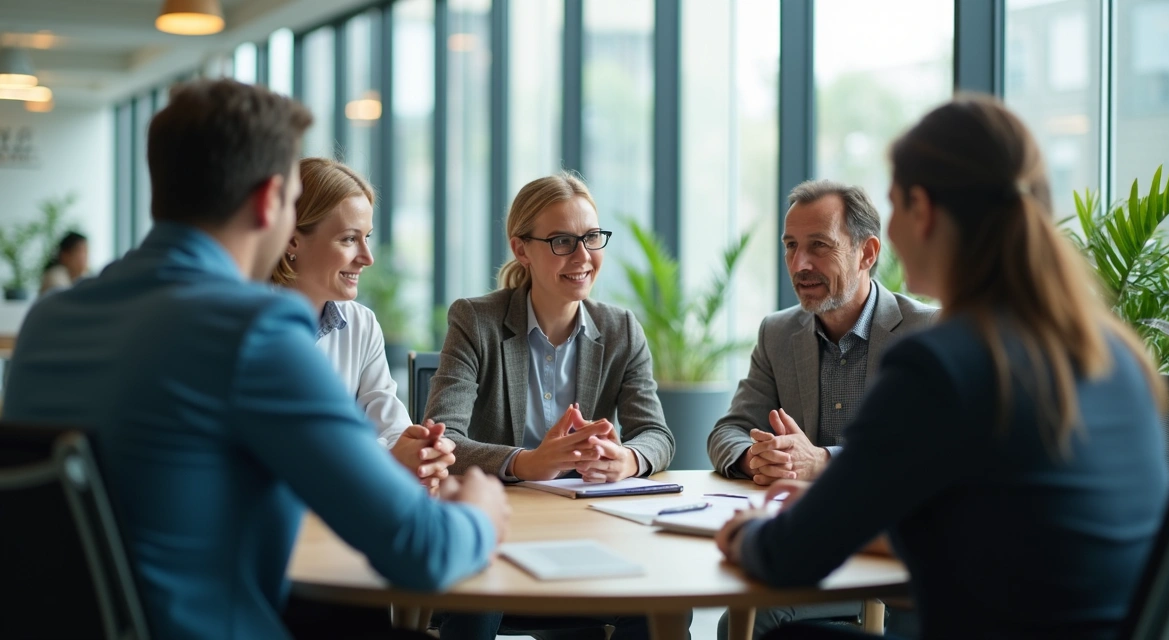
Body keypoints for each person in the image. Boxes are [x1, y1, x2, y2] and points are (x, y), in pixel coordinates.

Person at [2, 78, 509, 640]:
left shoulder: (49, 322)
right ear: (271, 203)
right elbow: (423, 550)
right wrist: (481, 510)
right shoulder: (251, 331)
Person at [715, 95, 1169, 640]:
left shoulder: (943, 362)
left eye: (896, 204)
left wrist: (745, 533)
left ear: (922, 210)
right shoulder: (1113, 353)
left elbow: (792, 557)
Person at [425, 173, 678, 640]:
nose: (583, 257)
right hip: (498, 528)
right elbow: (443, 440)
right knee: (477, 602)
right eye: (562, 241)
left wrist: (628, 459)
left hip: (589, 530)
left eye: (591, 238)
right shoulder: (475, 321)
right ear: (522, 249)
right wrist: (527, 462)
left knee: (658, 604)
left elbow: (657, 435)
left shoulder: (621, 329)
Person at [706, 180, 935, 637]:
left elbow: (922, 455)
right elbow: (728, 430)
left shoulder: (926, 333)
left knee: (753, 620)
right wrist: (760, 456)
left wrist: (821, 461)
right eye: (791, 246)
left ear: (867, 253)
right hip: (810, 543)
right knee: (739, 618)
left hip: (890, 560)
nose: (799, 264)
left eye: (819, 247)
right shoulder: (777, 332)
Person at [270, 157, 454, 492]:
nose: (367, 257)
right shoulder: (247, 326)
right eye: (348, 239)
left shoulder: (361, 324)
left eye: (367, 236)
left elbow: (389, 425)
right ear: (293, 241)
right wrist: (387, 459)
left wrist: (420, 451)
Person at [39, 231, 88, 295]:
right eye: (80, 252)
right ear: (65, 255)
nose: (85, 257)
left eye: (86, 252)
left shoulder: (80, 276)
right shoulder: (55, 276)